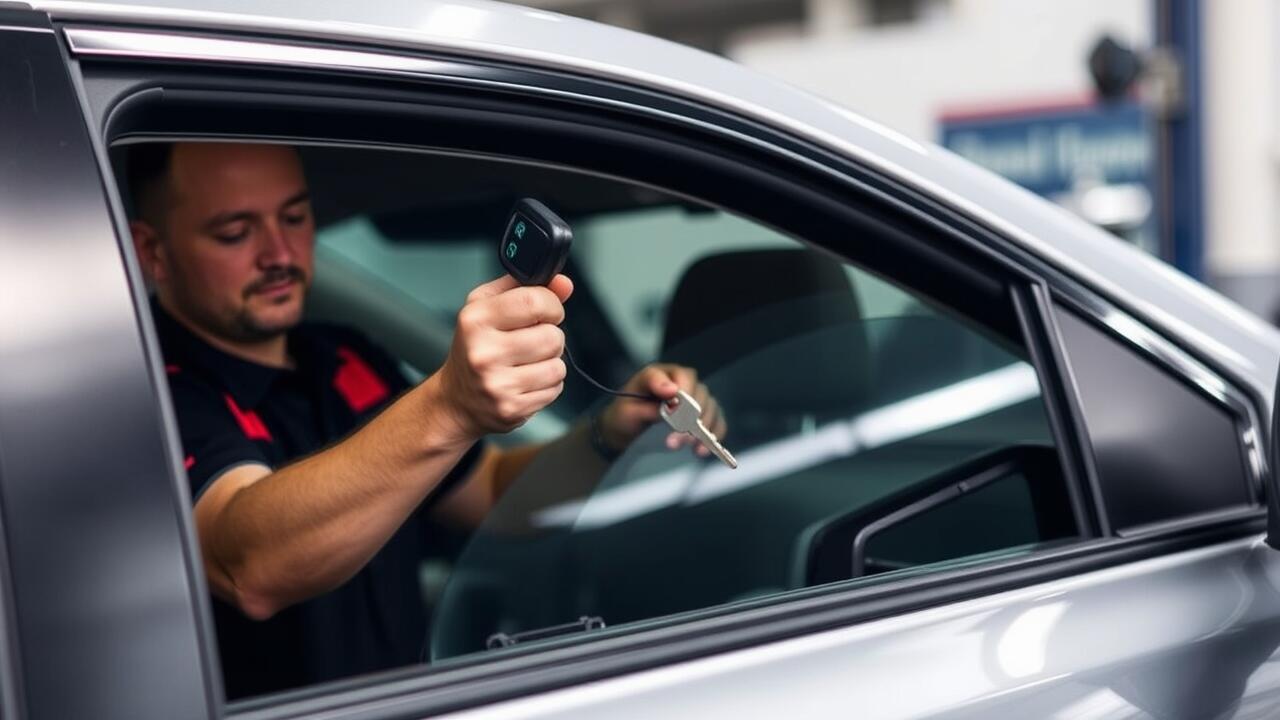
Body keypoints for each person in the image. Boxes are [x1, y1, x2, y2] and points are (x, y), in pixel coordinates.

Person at [126, 141, 725, 698]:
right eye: (235, 232)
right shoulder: (139, 390)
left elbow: (487, 493)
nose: (279, 254)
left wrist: (606, 433)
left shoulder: (343, 355)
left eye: (295, 216)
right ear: (153, 252)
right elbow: (248, 566)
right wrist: (448, 405)